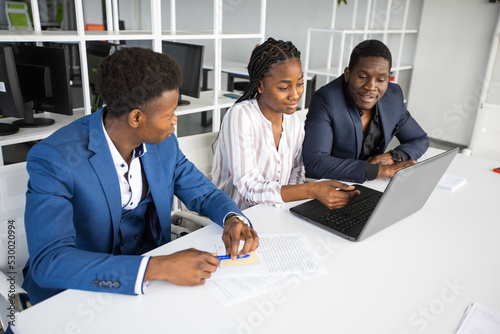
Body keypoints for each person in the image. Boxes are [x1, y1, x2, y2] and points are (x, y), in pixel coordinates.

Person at [22, 47, 259, 305]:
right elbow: (50, 262)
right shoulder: (55, 158)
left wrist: (232, 218)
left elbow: (203, 192)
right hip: (76, 294)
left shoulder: (164, 144)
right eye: (169, 114)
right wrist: (158, 267)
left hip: (149, 291)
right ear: (136, 117)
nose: (175, 121)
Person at [212, 38, 358, 211]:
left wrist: (295, 203)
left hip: (276, 214)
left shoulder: (293, 122)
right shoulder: (240, 115)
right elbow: (248, 188)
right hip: (235, 219)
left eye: (299, 84)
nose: (295, 95)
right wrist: (310, 190)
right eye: (284, 88)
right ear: (260, 85)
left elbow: (297, 171)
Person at [302, 39, 429, 183]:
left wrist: (395, 156)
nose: (371, 86)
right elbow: (315, 162)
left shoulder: (393, 96)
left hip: (373, 185)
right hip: (332, 186)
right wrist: (379, 171)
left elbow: (419, 139)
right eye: (362, 77)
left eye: (380, 79)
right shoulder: (326, 99)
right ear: (348, 74)